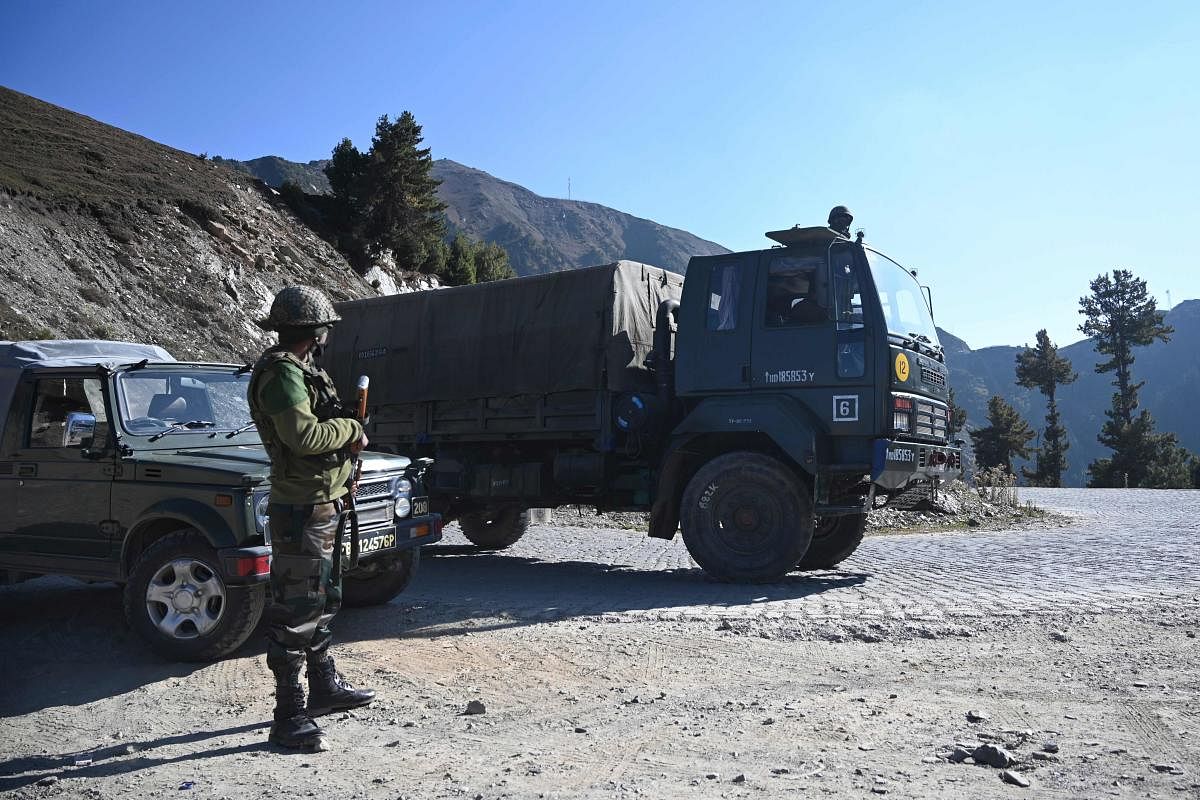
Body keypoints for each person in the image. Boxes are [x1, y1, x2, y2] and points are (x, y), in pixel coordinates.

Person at [248, 285, 375, 751]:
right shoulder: (282, 374)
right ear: (316, 330)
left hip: (325, 500)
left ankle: (323, 687)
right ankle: (288, 715)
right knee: (296, 611)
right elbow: (302, 436)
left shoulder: (302, 370)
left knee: (324, 599)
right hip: (303, 508)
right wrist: (351, 429)